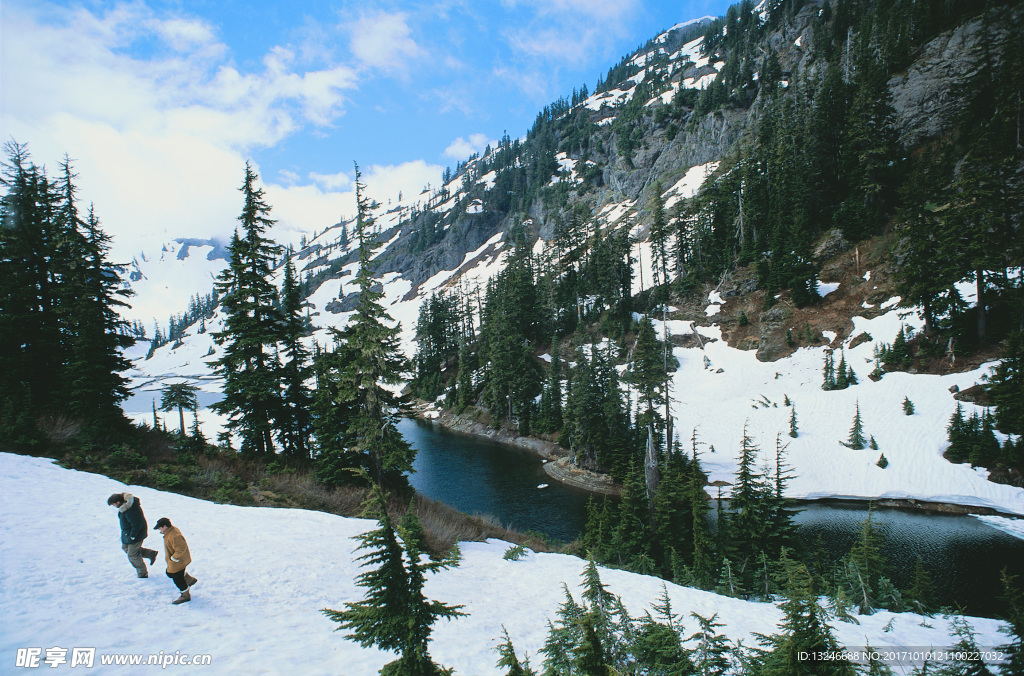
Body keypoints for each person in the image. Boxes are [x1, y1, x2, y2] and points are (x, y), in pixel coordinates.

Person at [107, 493, 158, 578]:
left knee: (132, 555)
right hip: (128, 533)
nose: (114, 506)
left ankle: (142, 573)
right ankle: (150, 553)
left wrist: (133, 536)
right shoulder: (125, 507)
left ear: (118, 502)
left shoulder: (130, 509)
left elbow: (137, 524)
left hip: (136, 534)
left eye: (113, 504)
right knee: (126, 548)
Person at [154, 517, 197, 605]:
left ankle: (185, 595)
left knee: (178, 579)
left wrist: (174, 558)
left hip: (178, 561)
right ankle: (189, 580)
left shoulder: (174, 535)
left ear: (165, 526)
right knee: (169, 573)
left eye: (160, 527)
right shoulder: (169, 532)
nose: (159, 529)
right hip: (176, 561)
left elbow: (181, 548)